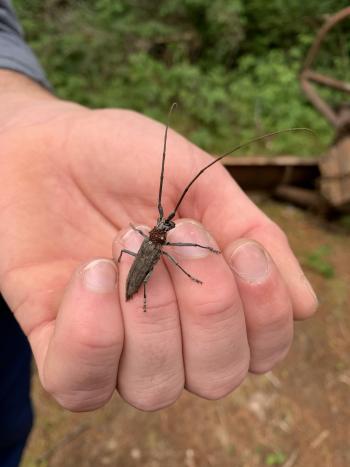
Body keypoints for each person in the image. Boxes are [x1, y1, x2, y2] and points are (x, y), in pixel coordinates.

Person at [0, 1, 318, 466]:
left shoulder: (156, 242)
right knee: (164, 277)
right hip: (134, 269)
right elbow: (162, 252)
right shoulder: (152, 241)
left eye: (164, 226)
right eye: (163, 225)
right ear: (159, 230)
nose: (165, 227)